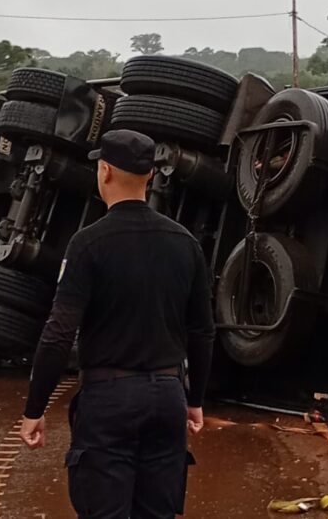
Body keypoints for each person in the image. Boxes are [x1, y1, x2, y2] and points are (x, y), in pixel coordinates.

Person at [20, 129, 216, 518]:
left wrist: (35, 408)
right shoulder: (185, 243)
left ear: (105, 171)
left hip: (109, 401)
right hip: (167, 396)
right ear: (151, 177)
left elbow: (59, 331)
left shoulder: (88, 244)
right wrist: (194, 401)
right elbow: (203, 330)